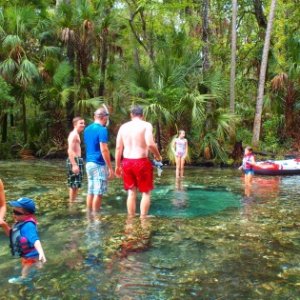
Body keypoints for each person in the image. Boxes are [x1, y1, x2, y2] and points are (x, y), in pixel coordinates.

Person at [115, 105, 162, 218]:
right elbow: (150, 144)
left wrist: (117, 165)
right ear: (143, 115)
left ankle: (131, 218)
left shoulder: (123, 127)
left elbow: (118, 148)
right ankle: (143, 218)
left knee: (131, 192)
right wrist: (158, 156)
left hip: (126, 162)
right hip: (141, 161)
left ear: (131, 115)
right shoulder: (146, 125)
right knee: (145, 192)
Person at [0, 197, 46, 284]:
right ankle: (39, 266)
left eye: (17, 213)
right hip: (30, 253)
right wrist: (4, 225)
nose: (14, 215)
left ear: (28, 214)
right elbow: (12, 235)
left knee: (25, 270)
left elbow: (35, 239)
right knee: (37, 264)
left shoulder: (28, 226)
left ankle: (23, 279)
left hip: (30, 255)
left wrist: (41, 252)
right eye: (13, 211)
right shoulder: (21, 222)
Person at [84, 107, 114, 213]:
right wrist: (110, 168)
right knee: (98, 192)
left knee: (90, 191)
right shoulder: (102, 129)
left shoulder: (87, 129)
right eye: (107, 117)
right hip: (98, 164)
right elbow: (104, 149)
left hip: (88, 163)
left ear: (94, 117)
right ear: (104, 117)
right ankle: (96, 216)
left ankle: (89, 215)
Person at [66, 117, 85, 201]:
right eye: (81, 123)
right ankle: (71, 202)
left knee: (75, 183)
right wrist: (74, 165)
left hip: (76, 160)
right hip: (74, 160)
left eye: (83, 123)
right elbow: (70, 150)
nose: (83, 125)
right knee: (74, 184)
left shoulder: (76, 134)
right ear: (75, 125)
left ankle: (73, 200)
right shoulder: (73, 134)